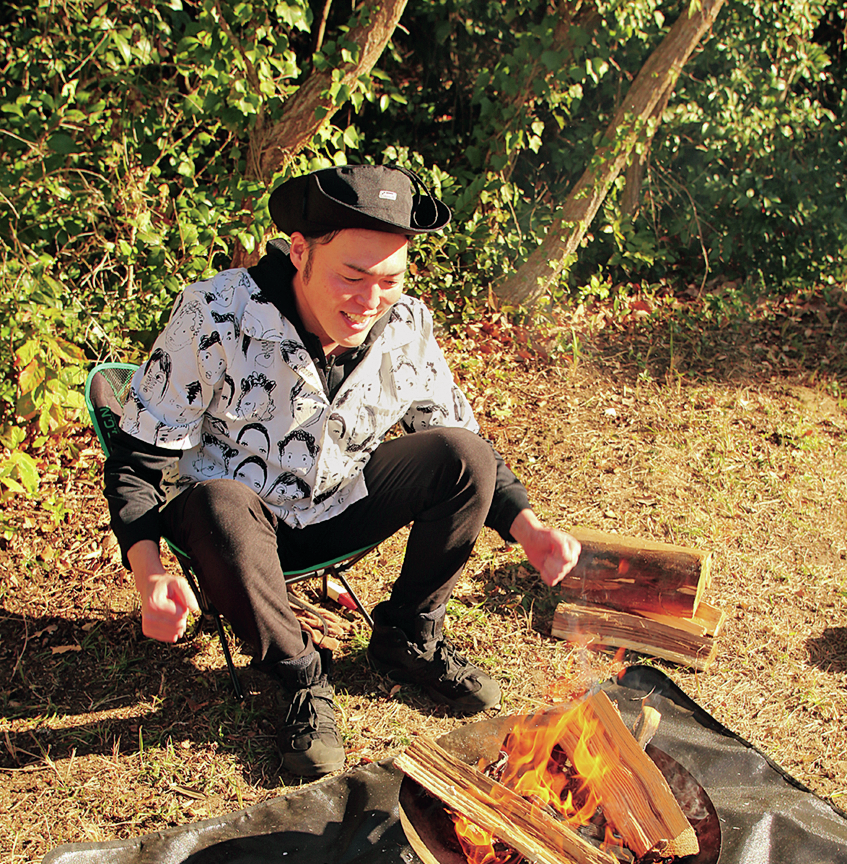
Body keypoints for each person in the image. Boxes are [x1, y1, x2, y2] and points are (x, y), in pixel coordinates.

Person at [105, 164, 581, 778]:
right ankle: (300, 674)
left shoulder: (405, 324)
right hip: (234, 529)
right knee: (221, 501)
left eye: (390, 280)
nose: (369, 300)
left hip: (336, 507)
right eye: (352, 276)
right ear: (299, 251)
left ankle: (409, 636)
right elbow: (139, 459)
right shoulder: (215, 314)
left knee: (465, 455)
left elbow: (460, 437)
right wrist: (149, 571)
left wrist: (529, 529)